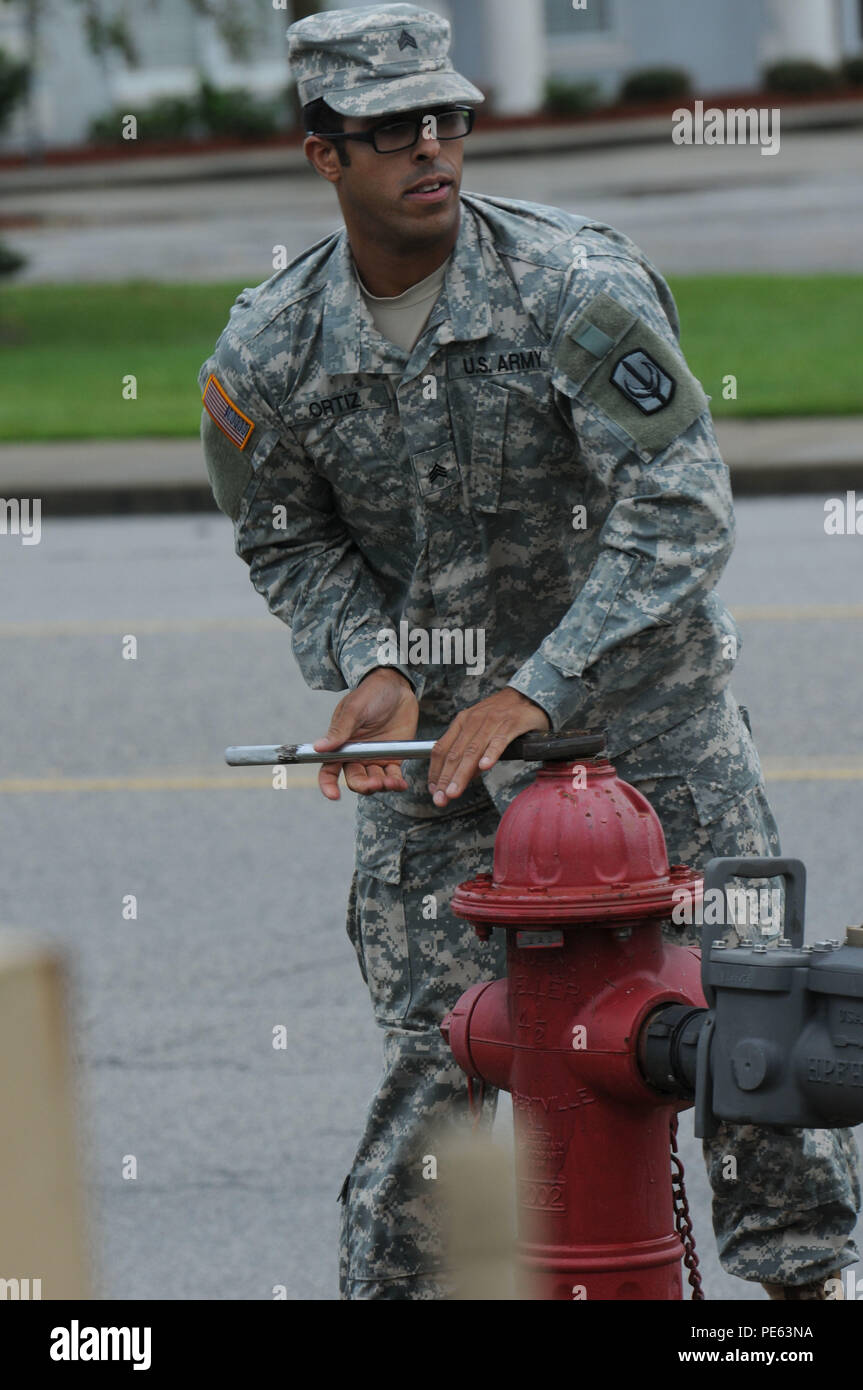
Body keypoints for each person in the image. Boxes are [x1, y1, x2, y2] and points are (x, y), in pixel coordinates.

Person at [198, 2, 861, 1301]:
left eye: (449, 117)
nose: (433, 148)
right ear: (324, 153)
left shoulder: (574, 285)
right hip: (442, 760)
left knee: (751, 1022)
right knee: (443, 1059)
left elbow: (680, 508)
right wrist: (372, 656)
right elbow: (283, 538)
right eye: (394, 130)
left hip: (648, 723)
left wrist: (532, 686)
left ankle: (808, 1291)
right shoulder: (268, 348)